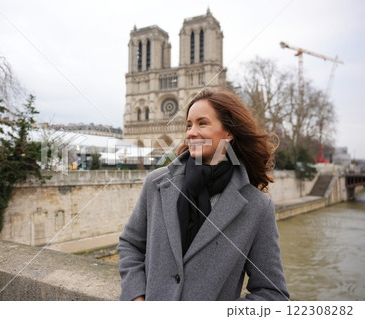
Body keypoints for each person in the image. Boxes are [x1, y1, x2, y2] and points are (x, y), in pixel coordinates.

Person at [117, 89, 290, 301]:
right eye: (189, 125)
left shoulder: (257, 207)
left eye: (202, 123)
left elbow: (273, 294)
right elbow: (130, 245)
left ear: (228, 132)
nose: (191, 132)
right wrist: (136, 297)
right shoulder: (157, 184)